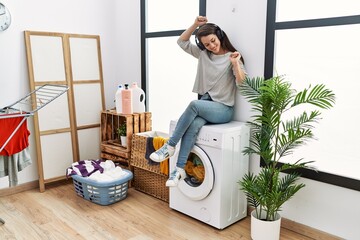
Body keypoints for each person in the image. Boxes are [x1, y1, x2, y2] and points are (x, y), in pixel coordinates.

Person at [150, 16, 247, 187]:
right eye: (207, 44)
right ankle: (179, 169)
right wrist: (195, 24)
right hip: (207, 105)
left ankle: (170, 146)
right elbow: (181, 42)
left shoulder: (232, 57)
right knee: (193, 126)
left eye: (213, 41)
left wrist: (235, 64)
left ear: (219, 36)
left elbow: (242, 84)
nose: (211, 46)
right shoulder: (204, 55)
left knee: (194, 105)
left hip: (224, 110)